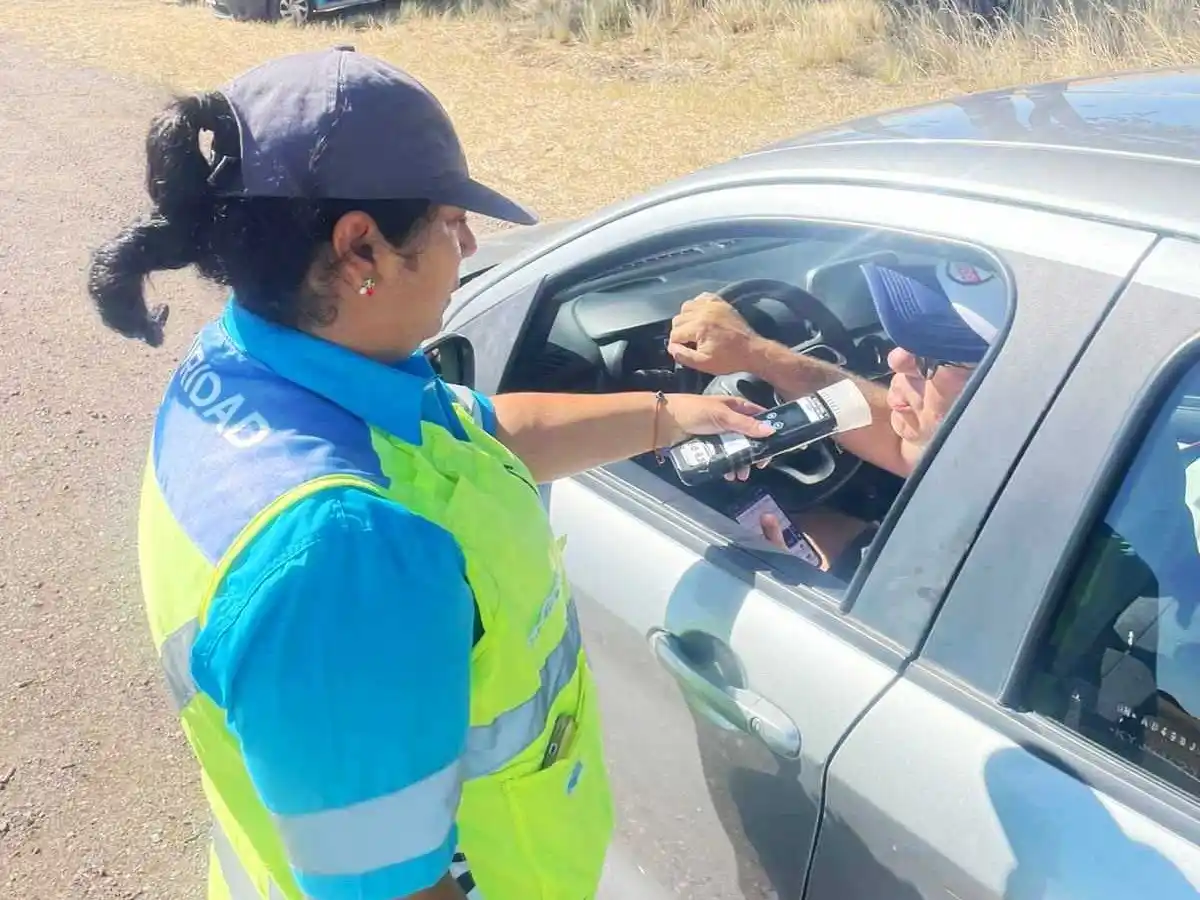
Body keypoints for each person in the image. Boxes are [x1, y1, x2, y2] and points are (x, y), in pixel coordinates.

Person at [87, 48, 775, 900]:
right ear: (361, 249)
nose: (471, 245)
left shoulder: (251, 363)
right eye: (452, 222)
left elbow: (475, 432)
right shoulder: (341, 556)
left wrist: (667, 416)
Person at [668, 258, 1007, 576]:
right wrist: (756, 353)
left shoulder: (985, 550)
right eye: (908, 340)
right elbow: (903, 447)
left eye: (933, 358)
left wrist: (797, 574)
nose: (896, 360)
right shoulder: (993, 451)